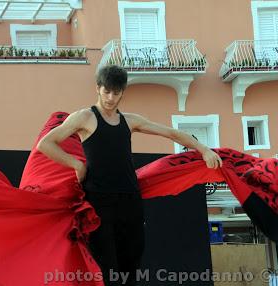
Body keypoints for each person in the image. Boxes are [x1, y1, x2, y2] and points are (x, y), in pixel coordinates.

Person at [36, 65, 223, 286]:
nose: (110, 98)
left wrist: (204, 149)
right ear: (98, 88)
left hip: (130, 201)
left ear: (122, 92)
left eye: (116, 93)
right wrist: (76, 164)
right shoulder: (84, 117)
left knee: (131, 266)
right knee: (108, 269)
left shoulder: (130, 120)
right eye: (106, 91)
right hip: (98, 202)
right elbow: (46, 144)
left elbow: (171, 132)